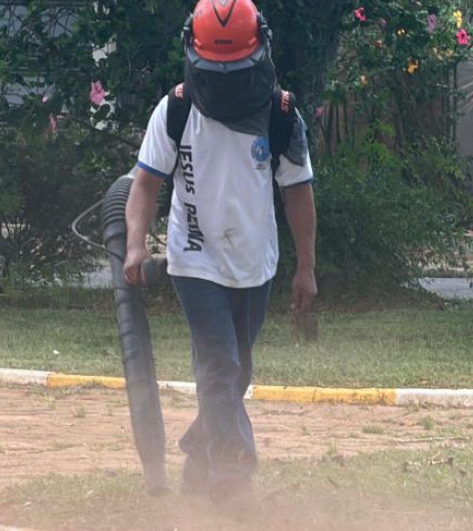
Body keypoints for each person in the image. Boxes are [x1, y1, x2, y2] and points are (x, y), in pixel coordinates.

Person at [123, 0, 316, 502]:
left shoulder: (280, 116)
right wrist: (135, 245)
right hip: (195, 261)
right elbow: (144, 185)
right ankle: (231, 475)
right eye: (218, 71)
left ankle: (196, 453)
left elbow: (298, 192)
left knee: (236, 373)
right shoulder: (176, 110)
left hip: (256, 264)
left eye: (237, 70)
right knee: (219, 366)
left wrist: (307, 269)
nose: (226, 80)